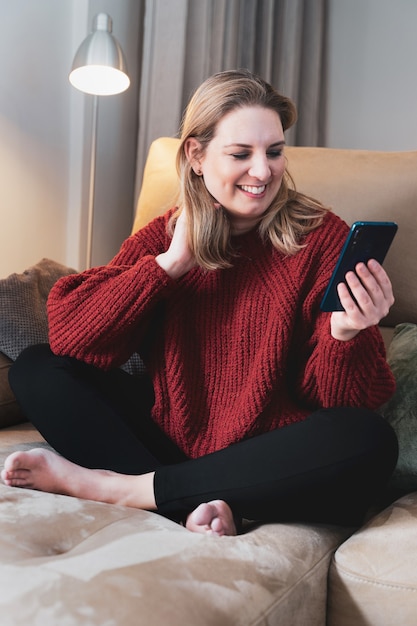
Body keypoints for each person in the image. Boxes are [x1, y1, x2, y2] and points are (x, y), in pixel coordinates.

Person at [1, 69, 398, 536]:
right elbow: (73, 339)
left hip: (269, 460)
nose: (263, 171)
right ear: (196, 154)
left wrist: (345, 334)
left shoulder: (323, 237)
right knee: (38, 367)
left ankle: (126, 490)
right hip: (170, 441)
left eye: (274, 152)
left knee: (367, 439)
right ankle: (196, 502)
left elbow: (337, 404)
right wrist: (169, 266)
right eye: (241, 154)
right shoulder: (166, 236)